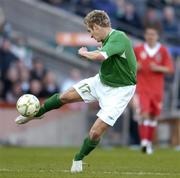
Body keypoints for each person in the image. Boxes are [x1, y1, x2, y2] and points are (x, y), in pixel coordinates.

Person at [15, 10, 137, 173]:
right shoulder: (107, 40)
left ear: (96, 26)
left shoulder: (119, 37)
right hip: (101, 81)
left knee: (94, 133)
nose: (91, 36)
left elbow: (100, 56)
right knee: (65, 96)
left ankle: (78, 159)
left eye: (90, 31)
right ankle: (35, 113)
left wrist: (84, 53)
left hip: (120, 91)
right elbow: (102, 53)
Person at [134, 25, 174, 154]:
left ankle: (148, 142)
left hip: (157, 90)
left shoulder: (162, 50)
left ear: (157, 36)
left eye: (153, 34)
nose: (150, 36)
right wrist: (136, 67)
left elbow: (170, 69)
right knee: (144, 114)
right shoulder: (138, 49)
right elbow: (128, 66)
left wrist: (158, 68)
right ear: (145, 35)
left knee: (154, 117)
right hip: (142, 88)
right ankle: (144, 143)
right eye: (148, 34)